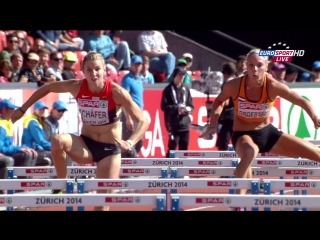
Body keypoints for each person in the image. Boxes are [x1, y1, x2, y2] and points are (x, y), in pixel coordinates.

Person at [11, 51, 149, 211]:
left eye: (97, 69)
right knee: (58, 140)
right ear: (83, 71)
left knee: (102, 206)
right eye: (89, 69)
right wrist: (22, 110)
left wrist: (130, 142)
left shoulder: (116, 92)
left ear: (104, 70)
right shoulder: (76, 87)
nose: (93, 73)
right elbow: (47, 88)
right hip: (86, 144)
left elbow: (143, 121)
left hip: (109, 151)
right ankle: (62, 184)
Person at [200, 48, 320, 211]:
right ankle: (238, 205)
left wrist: (314, 116)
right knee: (249, 152)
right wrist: (213, 124)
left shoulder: (272, 86)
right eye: (250, 65)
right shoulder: (235, 86)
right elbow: (220, 101)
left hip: (267, 133)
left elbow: (299, 100)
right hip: (243, 135)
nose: (254, 69)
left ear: (267, 66)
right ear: (246, 67)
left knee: (316, 153)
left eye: (259, 65)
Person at [161, 67, 194, 158]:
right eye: (179, 75)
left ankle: (183, 170)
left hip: (185, 125)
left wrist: (187, 110)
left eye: (183, 75)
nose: (181, 77)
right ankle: (168, 168)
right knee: (172, 148)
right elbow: (164, 107)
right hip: (173, 125)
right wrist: (176, 109)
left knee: (184, 150)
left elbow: (191, 105)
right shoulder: (168, 90)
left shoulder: (186, 89)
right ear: (174, 76)